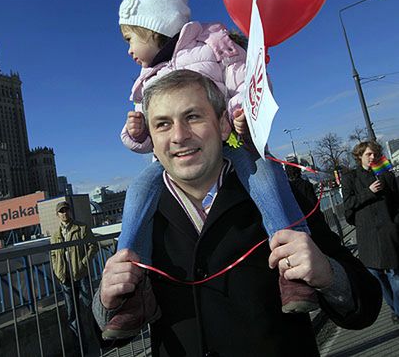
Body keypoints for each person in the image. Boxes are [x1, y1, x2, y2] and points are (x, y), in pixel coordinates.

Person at [93, 70, 381, 356]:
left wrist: (328, 275)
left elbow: (365, 306)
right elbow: (103, 337)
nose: (179, 136)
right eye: (163, 124)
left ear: (222, 125)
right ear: (152, 140)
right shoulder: (142, 218)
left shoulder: (282, 198)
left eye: (193, 117)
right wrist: (106, 303)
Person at [108, 0, 316, 339]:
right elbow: (155, 143)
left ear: (152, 29)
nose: (128, 50)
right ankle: (131, 286)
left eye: (130, 39)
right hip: (188, 155)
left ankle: (294, 265)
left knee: (265, 174)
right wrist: (139, 132)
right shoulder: (147, 79)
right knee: (140, 186)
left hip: (232, 140)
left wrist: (238, 111)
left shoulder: (212, 42)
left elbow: (244, 82)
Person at [342, 141, 399, 324]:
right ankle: (394, 307)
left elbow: (396, 202)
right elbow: (348, 205)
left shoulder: (386, 175)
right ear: (359, 156)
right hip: (368, 234)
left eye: (374, 154)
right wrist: (368, 192)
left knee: (395, 277)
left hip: (388, 232)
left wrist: (395, 224)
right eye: (368, 154)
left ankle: (398, 311)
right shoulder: (350, 178)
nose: (372, 157)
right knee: (377, 277)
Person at [50, 201, 98, 345]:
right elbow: (53, 254)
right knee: (71, 313)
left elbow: (93, 246)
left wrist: (84, 262)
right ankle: (80, 345)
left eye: (66, 210)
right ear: (57, 215)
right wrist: (57, 270)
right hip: (65, 278)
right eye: (61, 211)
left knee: (89, 307)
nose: (64, 213)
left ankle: (98, 339)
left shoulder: (81, 228)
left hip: (81, 274)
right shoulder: (55, 235)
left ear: (70, 211)